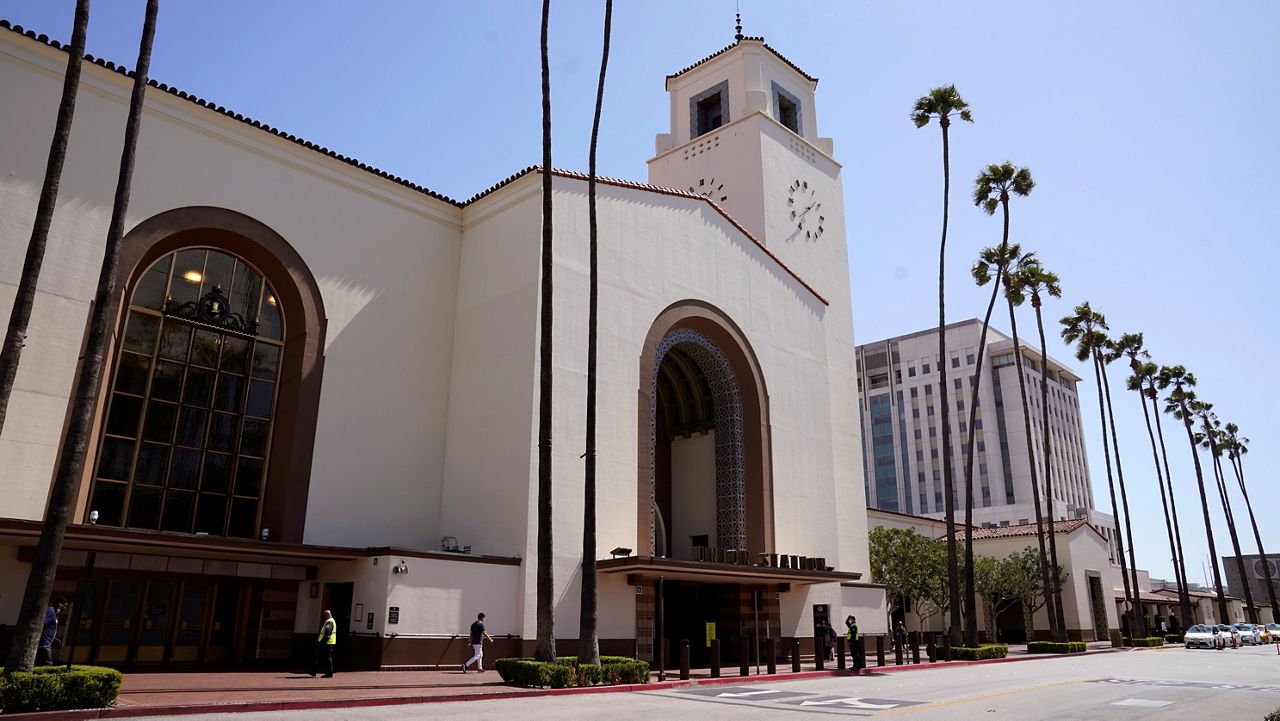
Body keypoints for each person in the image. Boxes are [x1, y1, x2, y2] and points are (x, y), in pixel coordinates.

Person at [36, 597, 67, 666]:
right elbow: (42, 624)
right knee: (48, 663)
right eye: (65, 606)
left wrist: (55, 639)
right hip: (44, 643)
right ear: (59, 604)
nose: (65, 609)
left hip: (47, 642)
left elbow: (49, 627)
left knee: (42, 663)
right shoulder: (50, 611)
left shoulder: (54, 613)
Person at [309, 610, 337, 677]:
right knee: (322, 657)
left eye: (324, 615)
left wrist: (323, 641)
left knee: (326, 658)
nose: (323, 616)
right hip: (328, 643)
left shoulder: (329, 622)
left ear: (327, 615)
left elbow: (328, 632)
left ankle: (328, 673)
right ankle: (314, 671)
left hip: (327, 643)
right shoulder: (331, 621)